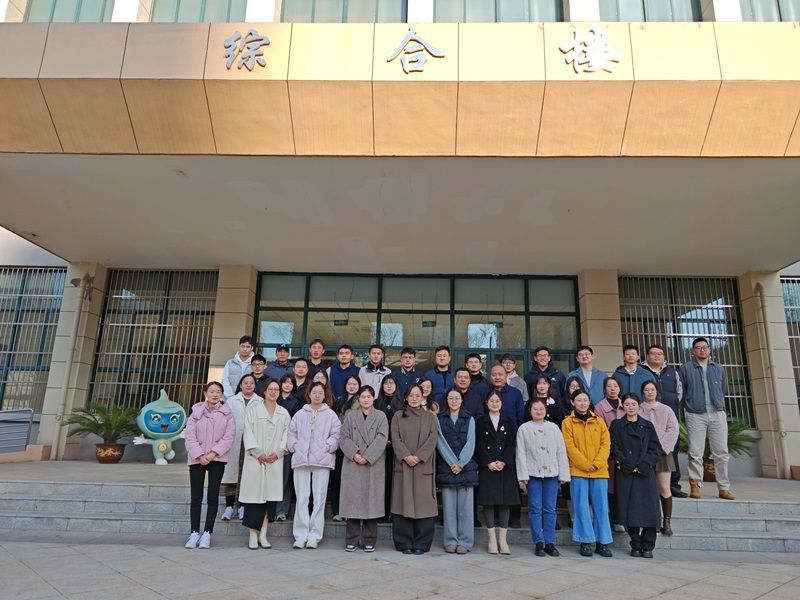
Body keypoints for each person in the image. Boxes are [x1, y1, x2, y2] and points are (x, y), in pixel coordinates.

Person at [287, 381, 341, 549]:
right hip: (301, 460)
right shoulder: (300, 414)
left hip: (322, 461)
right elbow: (291, 433)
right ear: (309, 394)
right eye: (314, 392)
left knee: (319, 499)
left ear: (325, 395)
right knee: (302, 498)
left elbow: (337, 435)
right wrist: (295, 447)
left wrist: (327, 447)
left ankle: (314, 536)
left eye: (320, 392)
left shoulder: (330, 415)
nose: (317, 395)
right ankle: (300, 535)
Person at [679, 337, 734, 500]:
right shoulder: (686, 368)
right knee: (695, 452)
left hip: (717, 413)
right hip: (695, 414)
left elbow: (723, 388)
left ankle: (724, 487)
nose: (702, 350)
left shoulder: (718, 368)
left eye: (705, 347)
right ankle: (695, 485)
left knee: (721, 452)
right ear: (693, 351)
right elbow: (682, 390)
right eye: (698, 347)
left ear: (709, 349)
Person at [609, 393, 663, 559]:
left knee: (649, 510)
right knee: (629, 510)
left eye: (633, 404)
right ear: (623, 407)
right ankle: (636, 544)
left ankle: (648, 546)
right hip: (625, 472)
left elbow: (655, 449)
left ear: (639, 406)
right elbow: (613, 447)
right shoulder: (617, 425)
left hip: (644, 473)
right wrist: (626, 463)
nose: (630, 407)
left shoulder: (647, 425)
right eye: (627, 404)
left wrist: (643, 465)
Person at [239, 378, 290, 550]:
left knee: (269, 500)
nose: (274, 392)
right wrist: (258, 453)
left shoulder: (284, 413)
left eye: (276, 389)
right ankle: (253, 534)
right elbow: (248, 433)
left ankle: (263, 534)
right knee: (254, 500)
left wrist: (278, 452)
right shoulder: (253, 410)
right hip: (256, 460)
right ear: (264, 391)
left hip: (274, 461)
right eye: (271, 389)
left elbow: (287, 435)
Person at [183, 381, 235, 549]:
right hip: (197, 459)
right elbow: (189, 435)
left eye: (218, 391)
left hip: (217, 459)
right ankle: (194, 533)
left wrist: (213, 453)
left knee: (213, 497)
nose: (215, 394)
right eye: (211, 391)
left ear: (221, 394)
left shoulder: (227, 413)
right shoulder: (196, 412)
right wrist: (199, 455)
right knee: (196, 497)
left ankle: (207, 533)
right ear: (206, 393)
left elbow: (229, 437)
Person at [516, 397, 570, 557]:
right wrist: (523, 475)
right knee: (534, 508)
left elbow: (561, 451)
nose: (538, 412)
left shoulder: (553, 428)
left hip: (551, 473)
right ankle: (538, 542)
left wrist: (563, 473)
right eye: (535, 409)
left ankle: (550, 542)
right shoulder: (524, 428)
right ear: (530, 411)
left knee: (550, 508)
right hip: (533, 473)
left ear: (545, 411)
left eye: (541, 409)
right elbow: (521, 453)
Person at [562, 388, 613, 558]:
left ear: (589, 401)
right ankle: (585, 541)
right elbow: (569, 446)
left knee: (601, 507)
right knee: (581, 506)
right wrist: (584, 464)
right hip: (578, 471)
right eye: (579, 400)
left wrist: (597, 463)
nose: (582, 403)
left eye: (585, 400)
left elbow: (606, 444)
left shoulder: (599, 421)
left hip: (599, 471)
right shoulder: (567, 423)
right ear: (572, 402)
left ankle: (602, 542)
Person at [339, 385, 389, 552]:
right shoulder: (351, 416)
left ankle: (369, 539)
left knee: (371, 502)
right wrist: (355, 454)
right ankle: (352, 539)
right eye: (363, 397)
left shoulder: (381, 416)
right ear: (358, 399)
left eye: (369, 396)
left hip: (372, 464)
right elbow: (343, 437)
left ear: (373, 398)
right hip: (353, 463)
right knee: (352, 502)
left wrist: (367, 456)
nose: (366, 399)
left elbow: (382, 438)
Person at [390, 384, 439, 554]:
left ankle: (421, 543)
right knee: (402, 502)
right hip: (403, 465)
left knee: (424, 504)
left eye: (418, 395)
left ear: (423, 397)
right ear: (406, 397)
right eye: (411, 395)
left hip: (422, 466)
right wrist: (405, 455)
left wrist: (418, 457)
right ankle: (404, 543)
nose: (414, 398)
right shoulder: (398, 416)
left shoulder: (430, 417)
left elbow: (433, 439)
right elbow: (395, 438)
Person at [475, 389, 520, 555]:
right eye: (491, 401)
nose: (494, 403)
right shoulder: (480, 421)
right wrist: (488, 462)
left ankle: (503, 539)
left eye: (497, 401)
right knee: (488, 502)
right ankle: (492, 540)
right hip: (487, 467)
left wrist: (503, 461)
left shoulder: (509, 422)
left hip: (504, 467)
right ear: (486, 403)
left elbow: (512, 444)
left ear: (502, 403)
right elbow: (478, 443)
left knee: (504, 502)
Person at [436, 389, 478, 554]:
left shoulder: (469, 419)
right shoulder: (440, 419)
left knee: (465, 509)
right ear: (446, 400)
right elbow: (440, 442)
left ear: (462, 400)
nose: (454, 401)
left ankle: (465, 542)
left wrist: (461, 463)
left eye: (457, 398)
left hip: (466, 468)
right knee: (449, 509)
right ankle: (450, 540)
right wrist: (452, 462)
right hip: (447, 468)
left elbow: (471, 442)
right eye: (450, 398)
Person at [642, 343, 686, 498]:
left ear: (664, 356)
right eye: (653, 353)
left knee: (672, 449)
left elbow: (679, 393)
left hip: (668, 414)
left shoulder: (672, 372)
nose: (656, 356)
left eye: (659, 353)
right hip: (648, 415)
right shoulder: (643, 371)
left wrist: (668, 407)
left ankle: (673, 484)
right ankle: (653, 485)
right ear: (647, 356)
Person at [639, 380, 679, 536]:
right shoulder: (638, 408)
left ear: (657, 391)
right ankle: (653, 521)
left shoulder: (666, 409)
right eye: (647, 389)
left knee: (664, 487)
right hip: (645, 454)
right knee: (649, 489)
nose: (650, 392)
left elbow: (673, 430)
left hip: (663, 454)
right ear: (643, 392)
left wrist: (661, 447)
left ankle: (666, 522)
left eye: (652, 389)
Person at [220, 373, 260, 522]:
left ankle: (243, 506)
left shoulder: (260, 401)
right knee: (231, 474)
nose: (248, 385)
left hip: (251, 443)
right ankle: (229, 507)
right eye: (245, 383)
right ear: (241, 385)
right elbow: (224, 421)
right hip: (234, 442)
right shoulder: (231, 401)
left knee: (247, 475)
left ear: (255, 385)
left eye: (251, 383)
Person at [593, 376, 626, 532]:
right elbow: (601, 431)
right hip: (609, 453)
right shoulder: (600, 407)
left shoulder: (626, 404)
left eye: (615, 386)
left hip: (626, 451)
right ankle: (613, 520)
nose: (613, 389)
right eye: (609, 386)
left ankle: (624, 519)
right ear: (604, 389)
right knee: (611, 489)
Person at [331, 375, 361, 522]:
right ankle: (338, 510)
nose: (352, 386)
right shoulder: (339, 401)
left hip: (354, 446)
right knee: (337, 479)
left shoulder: (361, 401)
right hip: (339, 445)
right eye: (349, 383)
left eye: (355, 384)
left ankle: (351, 511)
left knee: (352, 480)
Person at [276, 374, 303, 521]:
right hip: (272, 442)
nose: (287, 385)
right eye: (285, 382)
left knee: (285, 478)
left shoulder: (297, 402)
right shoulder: (274, 399)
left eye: (290, 383)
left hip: (288, 443)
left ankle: (282, 510)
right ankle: (270, 508)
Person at [376, 374, 401, 520]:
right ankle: (381, 512)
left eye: (392, 383)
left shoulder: (401, 403)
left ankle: (392, 513)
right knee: (380, 480)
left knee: (393, 480)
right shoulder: (376, 403)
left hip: (396, 448)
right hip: (379, 448)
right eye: (386, 383)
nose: (389, 386)